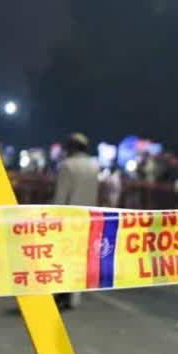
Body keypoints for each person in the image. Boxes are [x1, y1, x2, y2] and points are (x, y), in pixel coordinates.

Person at [52, 132, 99, 310]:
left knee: (63, 257)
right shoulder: (94, 165)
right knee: (79, 258)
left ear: (70, 147)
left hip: (68, 217)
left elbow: (61, 195)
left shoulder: (67, 166)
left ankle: (62, 294)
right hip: (88, 217)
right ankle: (72, 297)